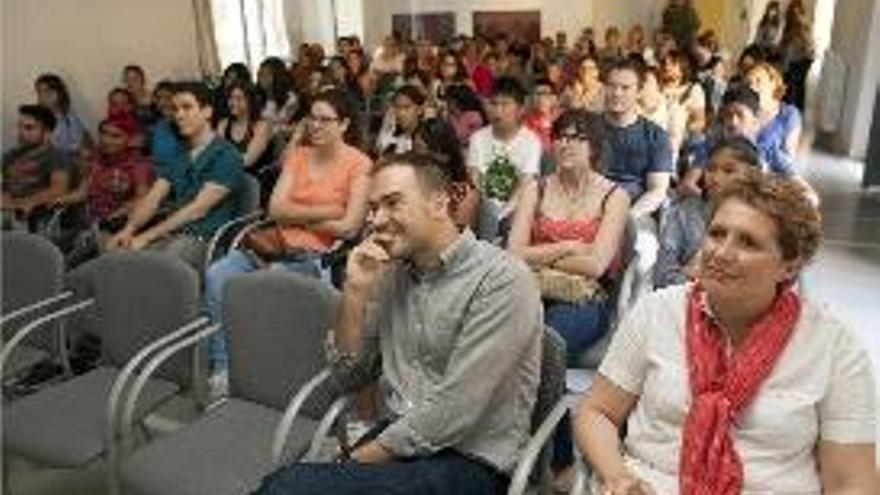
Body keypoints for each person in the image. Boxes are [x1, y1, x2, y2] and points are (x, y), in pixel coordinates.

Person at [253, 151, 543, 495]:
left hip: (469, 460)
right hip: (399, 440)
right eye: (373, 208)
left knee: (288, 487)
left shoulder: (501, 280)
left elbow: (455, 411)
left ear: (439, 204)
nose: (376, 220)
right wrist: (355, 292)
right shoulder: (392, 274)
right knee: (287, 486)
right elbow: (348, 377)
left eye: (392, 203)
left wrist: (354, 460)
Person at [575, 173, 877, 494]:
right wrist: (617, 475)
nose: (721, 253)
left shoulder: (834, 349)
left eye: (748, 242)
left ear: (789, 266)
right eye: (717, 234)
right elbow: (598, 412)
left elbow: (852, 482)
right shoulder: (657, 313)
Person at [204, 88, 371, 378]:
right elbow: (275, 209)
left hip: (317, 255)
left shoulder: (359, 164)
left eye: (325, 120)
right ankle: (223, 367)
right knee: (217, 274)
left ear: (344, 124)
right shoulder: (299, 155)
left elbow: (349, 226)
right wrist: (329, 210)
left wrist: (298, 216)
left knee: (266, 285)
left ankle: (266, 367)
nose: (315, 126)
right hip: (272, 244)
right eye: (311, 118)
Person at [509, 109, 630, 362]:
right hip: (531, 287)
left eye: (577, 138)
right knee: (499, 331)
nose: (566, 144)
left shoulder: (615, 196)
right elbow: (513, 253)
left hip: (584, 298)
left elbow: (596, 266)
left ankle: (539, 397)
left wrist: (537, 256)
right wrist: (571, 246)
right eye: (561, 137)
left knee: (544, 340)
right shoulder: (535, 188)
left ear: (594, 147)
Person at [106, 81, 244, 269]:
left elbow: (197, 210)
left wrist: (145, 237)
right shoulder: (180, 154)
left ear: (207, 112)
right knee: (118, 257)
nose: (179, 115)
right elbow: (154, 197)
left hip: (206, 240)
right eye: (175, 109)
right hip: (175, 234)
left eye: (187, 107)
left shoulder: (227, 155)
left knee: (151, 266)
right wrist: (129, 230)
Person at [654, 137, 762, 289]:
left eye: (729, 171)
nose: (716, 178)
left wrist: (696, 273)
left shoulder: (762, 219)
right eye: (711, 169)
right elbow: (662, 277)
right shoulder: (683, 213)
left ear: (753, 175)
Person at [601, 58, 673, 281]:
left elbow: (658, 190)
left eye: (625, 88)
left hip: (636, 211)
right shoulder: (588, 127)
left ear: (639, 92)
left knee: (644, 255)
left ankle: (628, 314)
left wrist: (628, 216)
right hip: (591, 207)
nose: (617, 93)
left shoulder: (655, 135)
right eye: (612, 86)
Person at [467, 77, 542, 231]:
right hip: (484, 206)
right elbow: (475, 177)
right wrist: (492, 209)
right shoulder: (478, 138)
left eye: (505, 104)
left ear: (520, 109)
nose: (497, 111)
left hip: (516, 207)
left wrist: (503, 213)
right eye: (494, 104)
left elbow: (525, 183)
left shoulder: (531, 141)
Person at [2, 105, 78, 229]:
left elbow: (58, 190)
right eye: (19, 126)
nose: (21, 132)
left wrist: (17, 204)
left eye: (29, 128)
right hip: (7, 211)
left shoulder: (57, 156)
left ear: (47, 133)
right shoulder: (11, 155)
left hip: (31, 218)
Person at [412, 117, 479, 230]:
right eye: (415, 149)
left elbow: (459, 240)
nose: (417, 158)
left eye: (425, 150)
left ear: (445, 154)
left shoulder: (464, 193)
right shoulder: (409, 184)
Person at [216, 81, 273, 171]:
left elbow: (247, 161)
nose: (233, 103)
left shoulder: (262, 126)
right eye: (231, 98)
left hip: (252, 178)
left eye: (239, 98)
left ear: (250, 101)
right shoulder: (223, 124)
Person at [34, 73, 94, 156]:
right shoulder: (36, 118)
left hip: (69, 160)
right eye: (39, 92)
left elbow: (80, 141)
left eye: (47, 91)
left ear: (59, 93)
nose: (42, 96)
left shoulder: (68, 115)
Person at [375, 85, 425, 155]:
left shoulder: (426, 137)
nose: (401, 113)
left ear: (419, 109)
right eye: (397, 107)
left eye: (407, 107)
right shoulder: (391, 137)